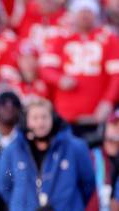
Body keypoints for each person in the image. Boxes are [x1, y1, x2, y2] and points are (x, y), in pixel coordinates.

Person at [39, 0, 119, 137]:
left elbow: (116, 75)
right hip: (65, 115)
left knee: (96, 157)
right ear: (73, 14)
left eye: (89, 12)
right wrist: (60, 79)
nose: (85, 16)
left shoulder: (109, 38)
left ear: (96, 15)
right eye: (82, 12)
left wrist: (107, 102)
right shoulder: (60, 37)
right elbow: (45, 69)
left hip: (96, 116)